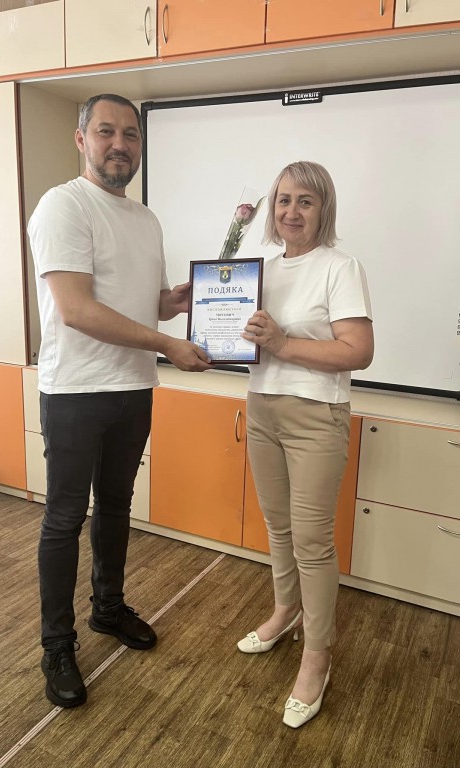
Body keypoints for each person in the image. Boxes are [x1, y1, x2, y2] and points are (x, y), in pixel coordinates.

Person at [28, 93, 211, 709]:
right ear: (81, 139)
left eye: (131, 134)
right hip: (76, 391)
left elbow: (144, 302)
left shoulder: (146, 220)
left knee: (115, 507)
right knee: (64, 519)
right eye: (106, 132)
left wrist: (177, 303)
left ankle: (107, 608)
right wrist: (166, 344)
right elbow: (77, 310)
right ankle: (57, 644)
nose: (120, 144)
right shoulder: (63, 205)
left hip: (132, 386)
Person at [237, 161, 373, 729]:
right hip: (262, 408)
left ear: (324, 210)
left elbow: (358, 351)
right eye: (283, 200)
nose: (291, 211)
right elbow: (243, 335)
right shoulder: (260, 271)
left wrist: (283, 343)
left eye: (305, 201)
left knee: (312, 541)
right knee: (279, 527)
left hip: (317, 416)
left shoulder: (340, 267)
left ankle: (318, 654)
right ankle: (285, 610)